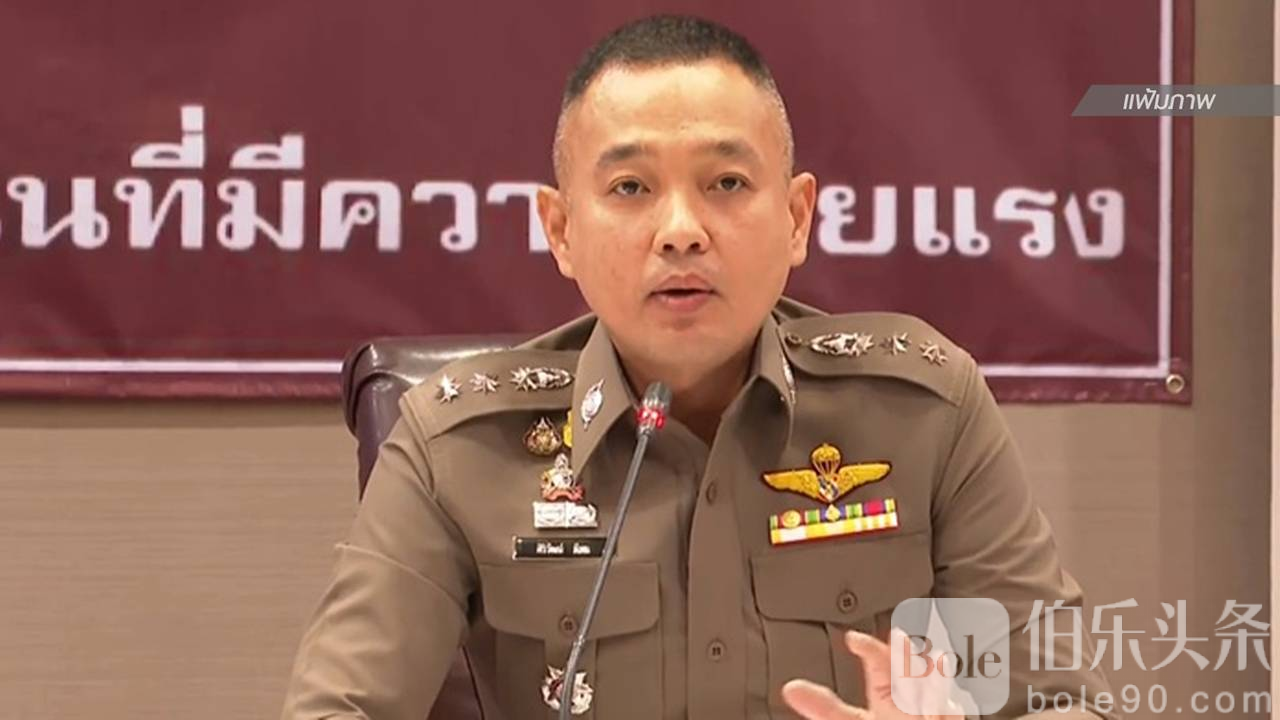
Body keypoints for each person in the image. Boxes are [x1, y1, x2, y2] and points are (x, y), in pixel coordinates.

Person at [281, 15, 1115, 720]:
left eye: (726, 182)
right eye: (631, 188)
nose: (681, 230)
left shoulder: (924, 416)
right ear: (560, 231)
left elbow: (1058, 702)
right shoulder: (458, 448)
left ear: (797, 218)